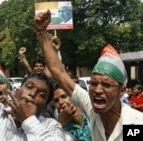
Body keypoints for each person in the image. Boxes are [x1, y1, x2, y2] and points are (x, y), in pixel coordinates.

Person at [34, 10, 143, 141]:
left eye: (106, 85)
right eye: (93, 83)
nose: (97, 90)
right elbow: (58, 72)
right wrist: (41, 33)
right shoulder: (91, 107)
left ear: (122, 91)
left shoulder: (135, 123)